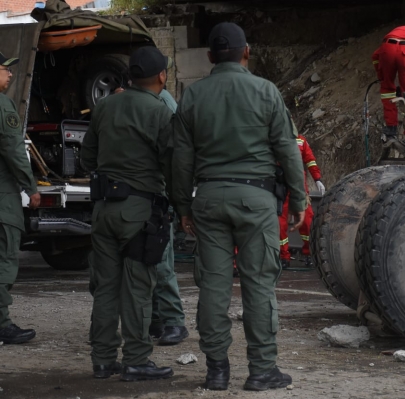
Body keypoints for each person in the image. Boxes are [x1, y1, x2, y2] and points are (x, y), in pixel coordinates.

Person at [172, 22, 306, 391]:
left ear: (211, 56)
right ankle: (262, 370)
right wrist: (299, 197)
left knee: (213, 287)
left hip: (209, 200)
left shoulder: (193, 96)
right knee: (259, 286)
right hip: (256, 200)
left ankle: (216, 370)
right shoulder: (265, 91)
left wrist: (183, 206)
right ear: (246, 52)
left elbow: (181, 159)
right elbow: (287, 147)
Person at [81, 46, 174, 381]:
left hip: (104, 210)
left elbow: (86, 159)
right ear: (162, 75)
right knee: (137, 288)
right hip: (138, 213)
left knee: (106, 287)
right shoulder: (161, 112)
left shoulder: (104, 107)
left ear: (130, 77)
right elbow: (171, 163)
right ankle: (136, 359)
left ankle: (103, 360)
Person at [113, 85, 189, 346]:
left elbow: (172, 155)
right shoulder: (152, 103)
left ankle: (173, 321)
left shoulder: (162, 104)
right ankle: (158, 320)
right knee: (149, 259)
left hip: (157, 197)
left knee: (161, 261)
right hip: (149, 196)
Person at [0, 51, 41, 345]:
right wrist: (31, 187)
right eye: (5, 69)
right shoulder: (3, 106)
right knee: (3, 261)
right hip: (2, 199)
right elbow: (14, 152)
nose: (11, 74)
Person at [279, 131, 324, 269]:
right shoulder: (275, 139)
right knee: (280, 223)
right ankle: (283, 256)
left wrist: (317, 179)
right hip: (281, 185)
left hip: (299, 186)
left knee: (307, 221)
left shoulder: (301, 140)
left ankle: (308, 253)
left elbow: (310, 160)